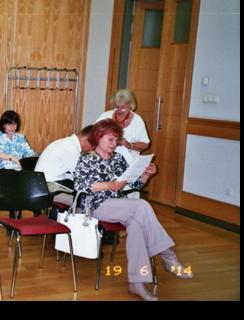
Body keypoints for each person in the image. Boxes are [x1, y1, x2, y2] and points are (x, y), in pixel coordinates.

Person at [74, 119, 193, 301]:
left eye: (116, 140)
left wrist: (146, 173)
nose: (115, 144)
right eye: (111, 140)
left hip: (118, 205)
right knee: (142, 205)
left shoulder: (118, 159)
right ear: (98, 138)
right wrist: (109, 185)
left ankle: (137, 283)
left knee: (137, 225)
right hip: (96, 205)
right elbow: (80, 185)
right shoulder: (86, 158)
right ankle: (168, 256)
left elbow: (134, 183)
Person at [34, 125, 93, 206]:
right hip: (48, 186)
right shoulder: (71, 148)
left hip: (44, 182)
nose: (92, 149)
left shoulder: (67, 143)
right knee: (85, 196)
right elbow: (82, 175)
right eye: (93, 146)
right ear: (87, 140)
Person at [95, 89, 150, 160]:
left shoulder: (137, 120)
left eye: (123, 107)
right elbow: (92, 135)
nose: (119, 111)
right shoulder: (105, 116)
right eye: (117, 107)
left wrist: (128, 145)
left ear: (130, 106)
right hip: (104, 159)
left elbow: (145, 145)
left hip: (128, 162)